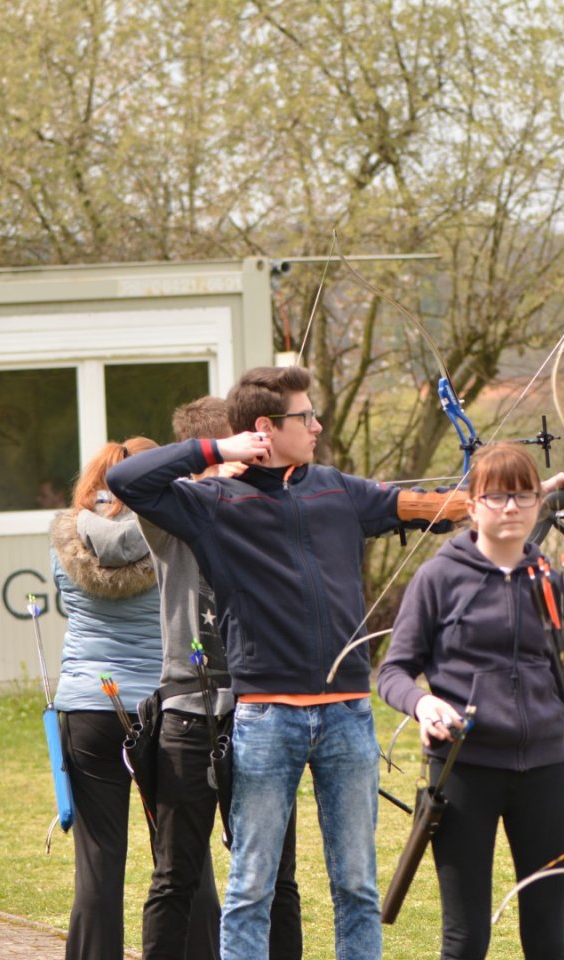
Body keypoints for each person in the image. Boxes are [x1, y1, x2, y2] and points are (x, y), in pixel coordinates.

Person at [106, 365, 471, 960]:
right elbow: (125, 478)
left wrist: (522, 492)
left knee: (356, 886)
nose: (318, 426)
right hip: (266, 716)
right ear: (266, 428)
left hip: (348, 715)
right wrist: (218, 449)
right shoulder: (214, 501)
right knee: (251, 887)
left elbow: (431, 505)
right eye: (306, 416)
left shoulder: (335, 488)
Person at [378, 442, 564, 960]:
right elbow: (392, 671)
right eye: (497, 496)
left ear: (538, 503)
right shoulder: (438, 577)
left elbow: (560, 677)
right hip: (463, 770)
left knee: (548, 938)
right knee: (466, 937)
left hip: (544, 769)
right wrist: (422, 705)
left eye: (524, 495)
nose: (511, 507)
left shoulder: (553, 580)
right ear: (473, 505)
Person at [140, 397, 303, 960]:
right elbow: (131, 478)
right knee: (175, 875)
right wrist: (211, 465)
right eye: (248, 444)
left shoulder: (262, 508)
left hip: (263, 713)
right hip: (189, 718)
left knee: (276, 877)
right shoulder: (172, 513)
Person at [50, 436, 213, 960]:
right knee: (184, 857)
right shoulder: (173, 534)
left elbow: (66, 600)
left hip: (87, 707)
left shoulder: (66, 541)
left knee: (98, 862)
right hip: (166, 710)